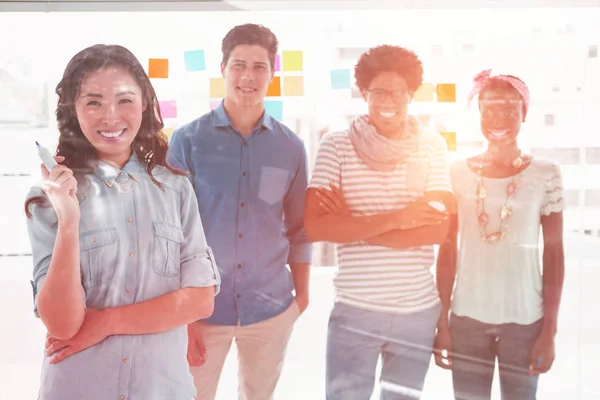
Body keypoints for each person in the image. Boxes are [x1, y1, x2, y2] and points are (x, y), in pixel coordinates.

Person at [24, 44, 220, 400]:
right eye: (94, 102)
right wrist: (69, 222)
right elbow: (63, 324)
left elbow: (200, 300)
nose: (110, 117)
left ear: (144, 103)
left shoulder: (176, 190)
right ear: (74, 109)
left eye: (124, 100)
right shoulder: (48, 200)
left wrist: (107, 323)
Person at [167, 23, 312, 400]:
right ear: (223, 68)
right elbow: (170, 233)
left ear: (272, 73)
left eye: (259, 67)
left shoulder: (291, 147)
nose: (248, 76)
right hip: (201, 312)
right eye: (239, 65)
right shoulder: (188, 140)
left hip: (270, 308)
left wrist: (303, 297)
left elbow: (299, 228)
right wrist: (182, 316)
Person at [305, 45, 453, 400]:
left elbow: (437, 231)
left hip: (416, 315)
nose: (389, 100)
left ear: (411, 94)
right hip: (355, 312)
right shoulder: (336, 145)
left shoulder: (431, 146)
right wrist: (401, 218)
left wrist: (351, 223)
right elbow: (316, 227)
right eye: (379, 92)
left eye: (398, 92)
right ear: (363, 93)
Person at [434, 70, 565, 400]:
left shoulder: (545, 173)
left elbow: (554, 254)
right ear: (478, 113)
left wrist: (549, 330)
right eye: (489, 109)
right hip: (466, 321)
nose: (499, 118)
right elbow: (447, 251)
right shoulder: (457, 172)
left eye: (510, 109)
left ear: (524, 113)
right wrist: (443, 322)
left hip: (525, 323)